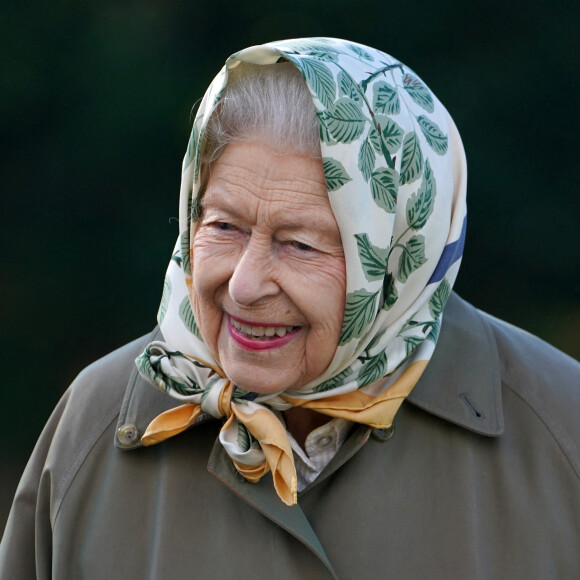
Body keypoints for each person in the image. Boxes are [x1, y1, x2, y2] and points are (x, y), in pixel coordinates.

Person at [1, 38, 579, 579]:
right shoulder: (98, 424)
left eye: (300, 244)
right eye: (224, 226)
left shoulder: (562, 430)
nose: (246, 285)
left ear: (401, 252)